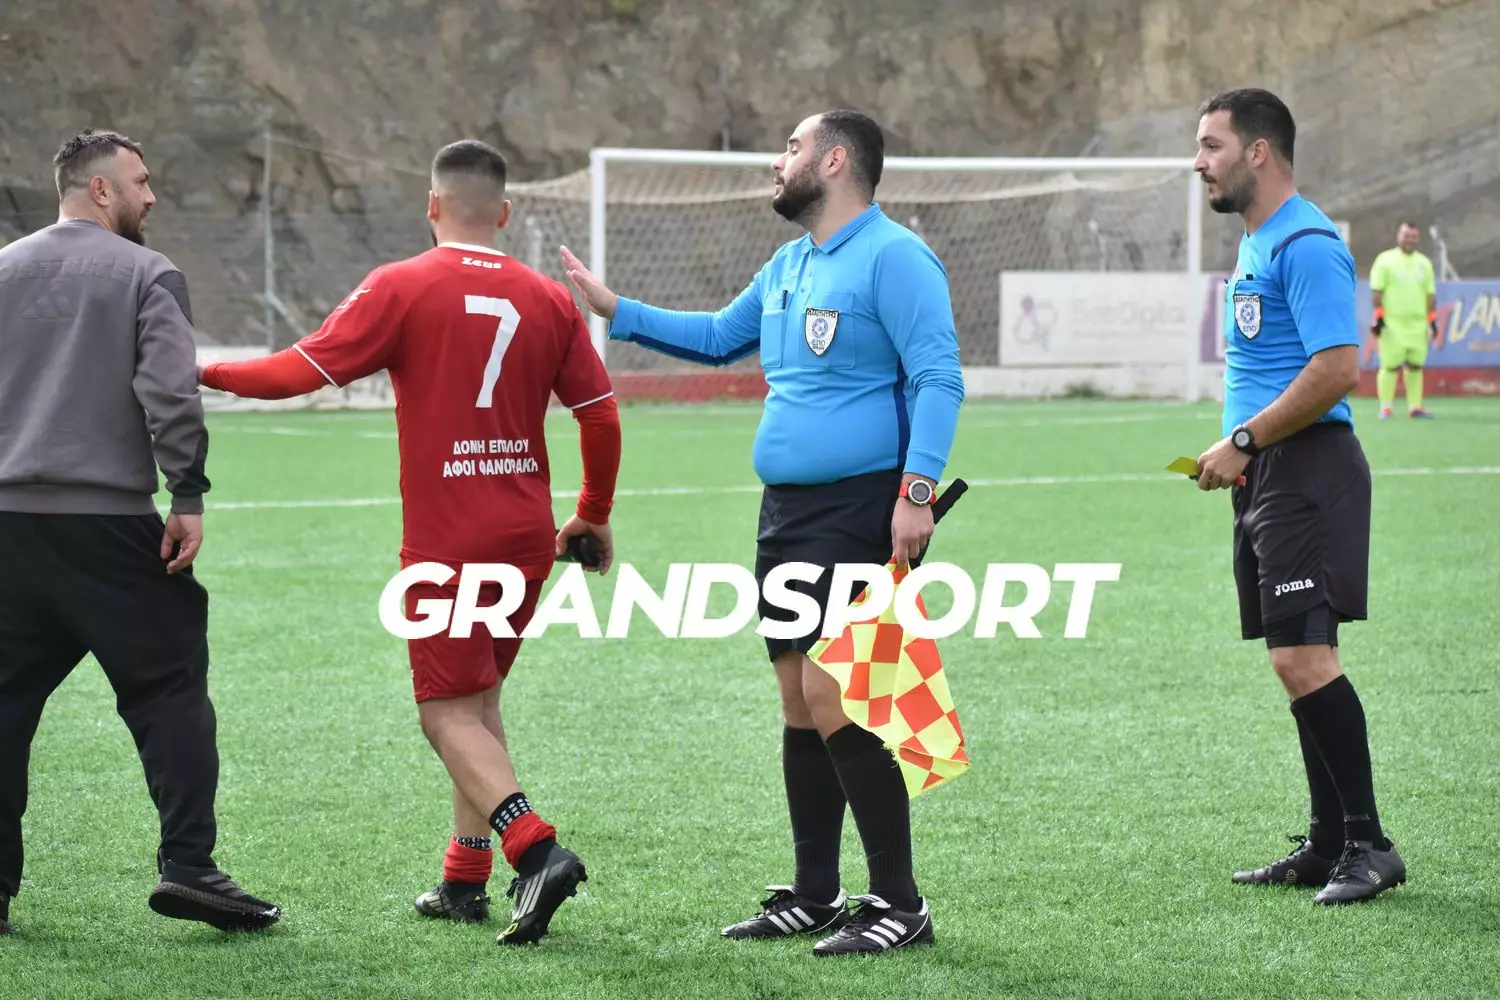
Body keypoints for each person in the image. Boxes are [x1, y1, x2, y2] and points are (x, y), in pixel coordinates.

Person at [197, 139, 622, 946]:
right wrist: (593, 510)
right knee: (479, 705)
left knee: (444, 714)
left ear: (431, 206)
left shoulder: (401, 284)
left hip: (449, 541)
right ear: (504, 213)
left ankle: (537, 851)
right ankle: (463, 880)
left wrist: (201, 372)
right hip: (525, 536)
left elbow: (295, 373)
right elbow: (598, 415)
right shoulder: (548, 298)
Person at [560, 108, 964, 955]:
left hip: (861, 506)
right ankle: (816, 894)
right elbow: (717, 340)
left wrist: (916, 492)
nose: (778, 162)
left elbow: (938, 377)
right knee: (797, 698)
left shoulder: (896, 257)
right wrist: (614, 308)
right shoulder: (789, 263)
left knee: (837, 693)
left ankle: (901, 905)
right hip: (785, 515)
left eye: (792, 147)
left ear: (836, 160)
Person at [0, 129, 280, 936]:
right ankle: (189, 866)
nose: (151, 196)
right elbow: (169, 390)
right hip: (110, 528)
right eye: (141, 182)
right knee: (169, 689)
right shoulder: (147, 273)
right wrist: (186, 491)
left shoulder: (4, 269)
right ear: (100, 190)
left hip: (8, 533)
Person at [1192, 89, 1406, 905]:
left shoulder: (1306, 243)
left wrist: (1245, 440)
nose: (1198, 162)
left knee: (1302, 657)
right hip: (1270, 475)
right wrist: (1245, 454)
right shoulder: (1260, 239)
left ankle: (1369, 845)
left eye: (1211, 145)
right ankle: (1327, 844)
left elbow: (1338, 368)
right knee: (1297, 658)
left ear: (1258, 152)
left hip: (1306, 470)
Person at [1369, 222, 1439, 419]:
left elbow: (1430, 294)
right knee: (1390, 366)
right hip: (1392, 324)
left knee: (1415, 365)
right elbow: (1377, 291)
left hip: (1418, 324)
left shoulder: (1424, 263)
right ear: (1398, 236)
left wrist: (1432, 320)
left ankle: (1415, 407)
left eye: (1413, 237)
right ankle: (1385, 408)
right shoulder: (1385, 260)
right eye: (1406, 236)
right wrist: (1379, 317)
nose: (1410, 240)